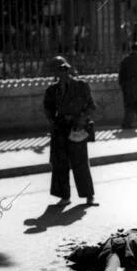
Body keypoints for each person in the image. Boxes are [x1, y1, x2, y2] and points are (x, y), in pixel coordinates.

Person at [43, 56, 98, 206]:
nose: (62, 73)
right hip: (60, 129)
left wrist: (82, 120)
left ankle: (88, 196)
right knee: (59, 164)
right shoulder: (52, 90)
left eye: (64, 70)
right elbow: (48, 109)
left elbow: (92, 106)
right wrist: (54, 121)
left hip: (77, 127)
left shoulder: (81, 86)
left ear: (68, 69)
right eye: (58, 71)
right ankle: (64, 196)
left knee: (80, 163)